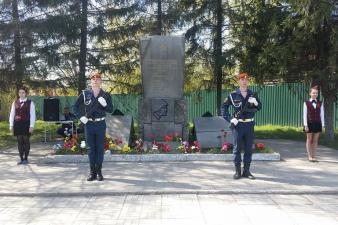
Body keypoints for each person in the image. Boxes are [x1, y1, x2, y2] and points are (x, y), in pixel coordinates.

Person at [73, 72, 113, 181]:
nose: (95, 80)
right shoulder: (85, 94)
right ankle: (92, 172)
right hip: (89, 124)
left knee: (100, 149)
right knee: (91, 149)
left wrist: (105, 104)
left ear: (100, 81)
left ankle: (99, 171)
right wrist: (81, 117)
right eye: (93, 78)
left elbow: (111, 109)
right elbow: (74, 107)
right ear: (90, 81)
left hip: (100, 124)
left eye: (98, 78)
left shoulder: (106, 95)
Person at [221, 73, 262, 179]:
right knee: (237, 148)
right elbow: (223, 108)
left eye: (246, 80)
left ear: (248, 82)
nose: (244, 81)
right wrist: (231, 119)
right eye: (242, 80)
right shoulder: (233, 95)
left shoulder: (252, 94)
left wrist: (256, 103)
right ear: (239, 81)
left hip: (249, 124)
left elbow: (259, 107)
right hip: (238, 125)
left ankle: (247, 171)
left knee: (249, 148)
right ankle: (238, 171)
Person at [9, 86, 36, 165]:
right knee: (19, 141)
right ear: (18, 93)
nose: (21, 94)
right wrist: (11, 125)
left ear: (26, 93)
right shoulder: (15, 102)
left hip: (26, 124)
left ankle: (26, 158)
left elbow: (32, 115)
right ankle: (21, 158)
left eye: (23, 92)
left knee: (26, 141)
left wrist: (31, 125)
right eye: (20, 92)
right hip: (17, 124)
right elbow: (12, 114)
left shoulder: (31, 103)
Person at [303, 86, 324, 162]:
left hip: (318, 123)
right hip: (309, 123)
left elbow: (322, 114)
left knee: (315, 140)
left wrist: (322, 125)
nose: (315, 94)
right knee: (309, 139)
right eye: (313, 93)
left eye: (316, 93)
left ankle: (313, 156)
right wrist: (305, 125)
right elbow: (304, 114)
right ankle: (309, 156)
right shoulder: (306, 103)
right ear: (310, 93)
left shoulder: (320, 103)